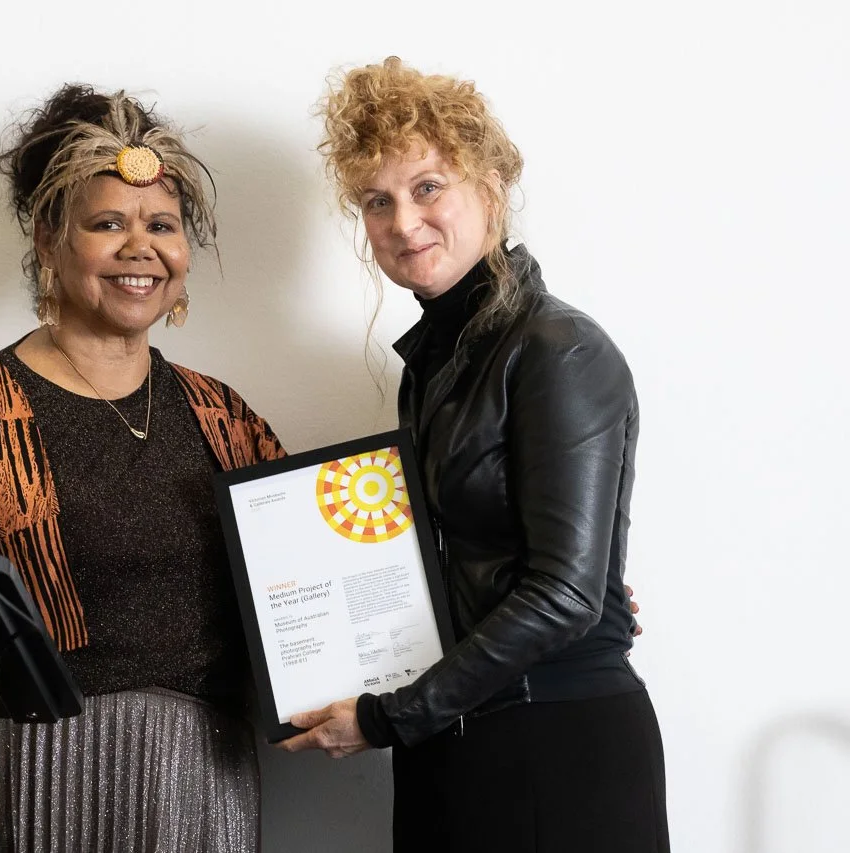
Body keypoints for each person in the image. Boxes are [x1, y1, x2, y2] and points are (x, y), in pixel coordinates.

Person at [0, 84, 283, 853]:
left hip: (203, 783)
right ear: (48, 239)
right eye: (107, 223)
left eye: (162, 226)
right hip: (33, 777)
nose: (140, 247)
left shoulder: (225, 419)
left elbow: (307, 586)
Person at [278, 57, 669, 853]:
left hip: (554, 748)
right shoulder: (431, 369)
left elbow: (563, 596)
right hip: (453, 743)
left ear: (490, 187)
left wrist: (390, 714)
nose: (402, 222)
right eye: (376, 201)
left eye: (427, 187)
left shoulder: (556, 347)